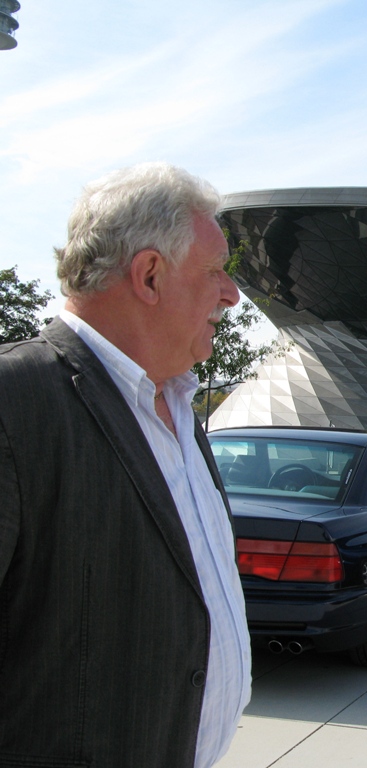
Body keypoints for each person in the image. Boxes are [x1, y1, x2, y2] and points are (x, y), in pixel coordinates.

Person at [0, 163, 250, 766]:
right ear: (150, 274)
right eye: (215, 270)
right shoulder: (14, 403)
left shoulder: (178, 404)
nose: (232, 293)